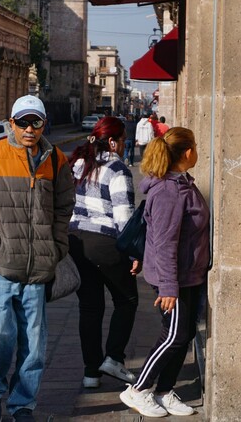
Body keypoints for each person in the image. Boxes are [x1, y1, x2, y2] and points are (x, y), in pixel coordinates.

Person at [0, 95, 75, 422]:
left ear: (43, 124)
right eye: (22, 122)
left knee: (34, 345)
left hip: (38, 268)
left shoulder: (56, 161)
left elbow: (65, 207)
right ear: (11, 123)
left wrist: (56, 246)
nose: (29, 128)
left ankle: (22, 403)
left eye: (35, 122)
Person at [119, 127, 210, 418]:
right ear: (186, 152)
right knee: (172, 336)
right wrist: (169, 287)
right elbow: (166, 241)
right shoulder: (170, 191)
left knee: (182, 336)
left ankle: (164, 391)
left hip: (188, 273)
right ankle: (138, 389)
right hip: (175, 277)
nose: (197, 151)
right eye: (194, 146)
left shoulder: (182, 184)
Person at [68, 116, 141, 389]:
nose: (123, 145)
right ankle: (113, 357)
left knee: (89, 307)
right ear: (112, 141)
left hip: (76, 240)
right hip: (105, 242)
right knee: (127, 300)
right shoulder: (118, 169)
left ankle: (91, 373)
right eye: (122, 140)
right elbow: (124, 217)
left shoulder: (78, 164)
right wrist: (135, 253)